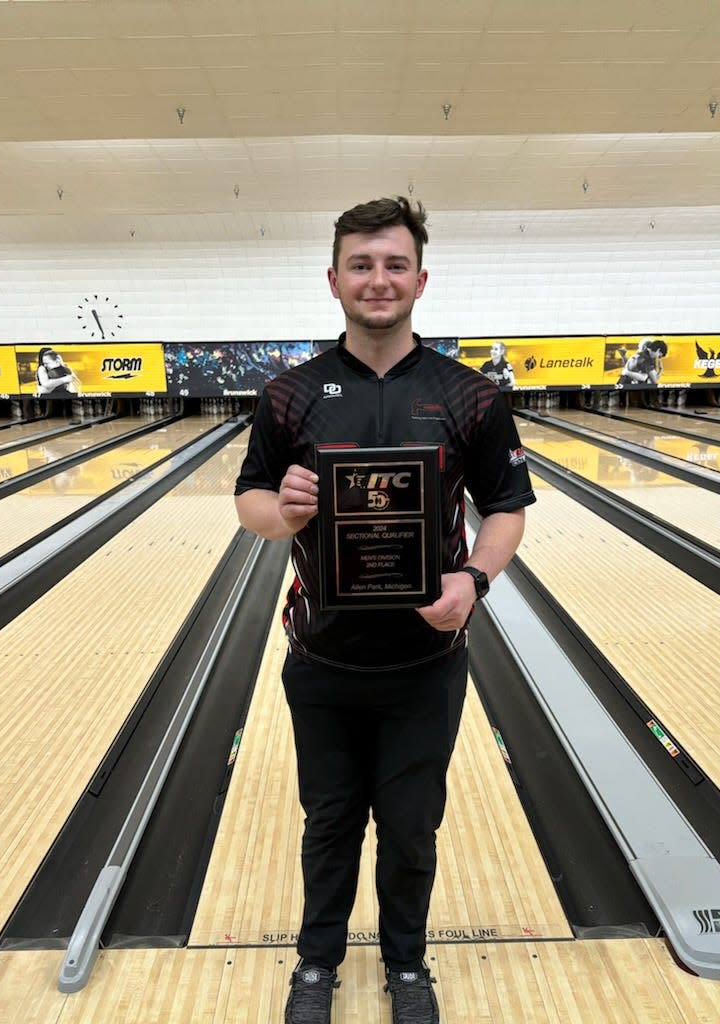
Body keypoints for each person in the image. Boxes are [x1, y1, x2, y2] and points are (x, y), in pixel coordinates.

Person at [234, 196, 535, 1024]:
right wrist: (283, 510)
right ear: (333, 279)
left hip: (425, 667)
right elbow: (250, 503)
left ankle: (407, 967)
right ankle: (315, 966)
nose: (378, 279)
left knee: (410, 829)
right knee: (329, 822)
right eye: (361, 265)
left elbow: (506, 506)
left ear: (421, 279)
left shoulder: (468, 395)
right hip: (322, 660)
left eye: (394, 264)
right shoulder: (290, 395)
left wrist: (472, 579)